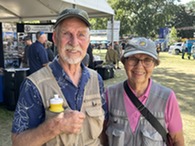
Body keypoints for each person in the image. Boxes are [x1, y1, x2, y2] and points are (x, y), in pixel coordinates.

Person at [11, 8, 106, 146]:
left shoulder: (96, 80)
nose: (74, 42)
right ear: (55, 38)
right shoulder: (34, 85)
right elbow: (18, 142)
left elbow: (103, 129)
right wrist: (55, 126)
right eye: (67, 34)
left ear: (88, 40)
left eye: (81, 35)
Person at [104, 37, 184, 146]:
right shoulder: (110, 95)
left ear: (154, 64)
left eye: (147, 60)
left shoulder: (167, 98)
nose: (139, 66)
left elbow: (177, 141)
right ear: (124, 62)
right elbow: (101, 138)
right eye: (133, 58)